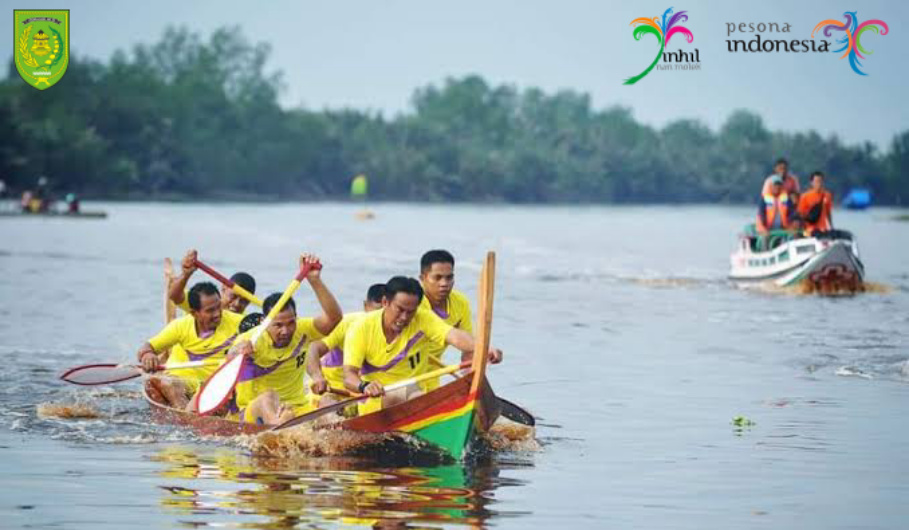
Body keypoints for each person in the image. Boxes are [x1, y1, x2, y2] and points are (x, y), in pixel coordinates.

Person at [342, 276, 502, 415]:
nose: (404, 317)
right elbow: (349, 376)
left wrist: (482, 347)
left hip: (416, 394)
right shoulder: (360, 328)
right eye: (400, 309)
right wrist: (364, 386)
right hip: (375, 399)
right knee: (417, 396)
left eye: (410, 312)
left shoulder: (422, 318)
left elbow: (453, 335)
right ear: (385, 302)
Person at [225, 254, 342, 425]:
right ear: (264, 322)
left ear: (297, 318)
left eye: (291, 323)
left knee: (329, 400)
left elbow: (334, 318)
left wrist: (315, 281)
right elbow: (227, 364)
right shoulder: (250, 339)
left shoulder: (303, 330)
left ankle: (335, 430)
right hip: (253, 411)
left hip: (297, 407)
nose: (285, 331)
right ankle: (283, 427)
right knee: (269, 397)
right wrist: (236, 353)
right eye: (278, 325)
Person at [137, 281, 245, 408]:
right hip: (183, 384)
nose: (217, 314)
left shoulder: (238, 322)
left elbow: (264, 331)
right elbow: (146, 348)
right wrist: (148, 355)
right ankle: (185, 416)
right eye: (210, 311)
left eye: (218, 307)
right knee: (164, 383)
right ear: (194, 313)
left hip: (217, 385)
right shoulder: (180, 326)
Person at [305, 283, 386, 407]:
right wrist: (317, 377)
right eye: (376, 312)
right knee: (329, 405)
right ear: (365, 306)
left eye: (384, 313)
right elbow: (313, 349)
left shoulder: (399, 327)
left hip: (367, 389)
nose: (379, 319)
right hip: (332, 388)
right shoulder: (347, 323)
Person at [417, 250, 474, 390]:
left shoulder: (461, 303)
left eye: (449, 278)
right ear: (422, 278)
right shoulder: (412, 303)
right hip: (403, 376)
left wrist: (470, 378)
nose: (444, 283)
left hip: (431, 377)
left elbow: (468, 348)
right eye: (437, 277)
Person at [169, 249, 257, 315]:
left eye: (244, 301)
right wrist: (186, 275)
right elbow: (174, 296)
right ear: (224, 288)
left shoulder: (245, 321)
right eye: (233, 296)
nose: (237, 304)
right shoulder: (203, 301)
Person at [755, 175, 795, 250]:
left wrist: (792, 225)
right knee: (765, 238)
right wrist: (764, 229)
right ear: (771, 186)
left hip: (783, 228)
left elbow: (791, 213)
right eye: (775, 185)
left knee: (793, 236)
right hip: (767, 229)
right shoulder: (764, 199)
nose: (777, 187)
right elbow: (761, 215)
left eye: (779, 185)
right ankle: (765, 254)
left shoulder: (786, 199)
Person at [798, 171, 834, 235]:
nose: (819, 184)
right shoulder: (805, 196)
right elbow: (801, 214)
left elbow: (828, 213)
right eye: (816, 181)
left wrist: (831, 227)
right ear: (812, 183)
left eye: (820, 181)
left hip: (823, 229)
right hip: (810, 229)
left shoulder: (827, 195)